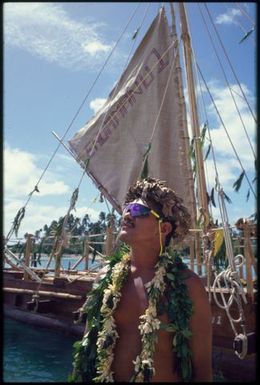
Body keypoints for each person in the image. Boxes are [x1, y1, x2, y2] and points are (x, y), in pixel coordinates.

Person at [70, 177, 212, 383]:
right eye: (127, 208)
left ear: (164, 229)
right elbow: (87, 347)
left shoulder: (189, 286)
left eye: (138, 211)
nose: (127, 214)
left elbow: (202, 368)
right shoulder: (105, 279)